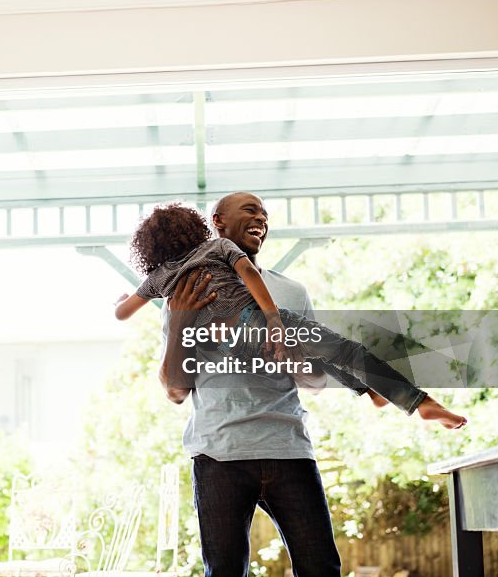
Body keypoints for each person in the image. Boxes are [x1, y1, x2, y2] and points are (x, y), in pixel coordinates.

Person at [140, 192, 464, 577]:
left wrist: (296, 363)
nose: (260, 218)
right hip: (218, 455)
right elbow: (175, 391)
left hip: (289, 448)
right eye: (250, 210)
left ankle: (395, 396)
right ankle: (381, 393)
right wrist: (177, 322)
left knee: (321, 569)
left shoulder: (291, 291)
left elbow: (315, 380)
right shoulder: (187, 291)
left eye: (264, 213)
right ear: (218, 222)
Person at [115, 201, 467, 424]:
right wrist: (273, 321)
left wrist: (120, 302)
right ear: (205, 227)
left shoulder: (164, 280)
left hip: (227, 345)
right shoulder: (217, 247)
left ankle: (371, 391)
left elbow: (124, 312)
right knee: (344, 350)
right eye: (250, 210)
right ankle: (418, 402)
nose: (260, 218)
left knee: (320, 353)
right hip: (255, 324)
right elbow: (250, 277)